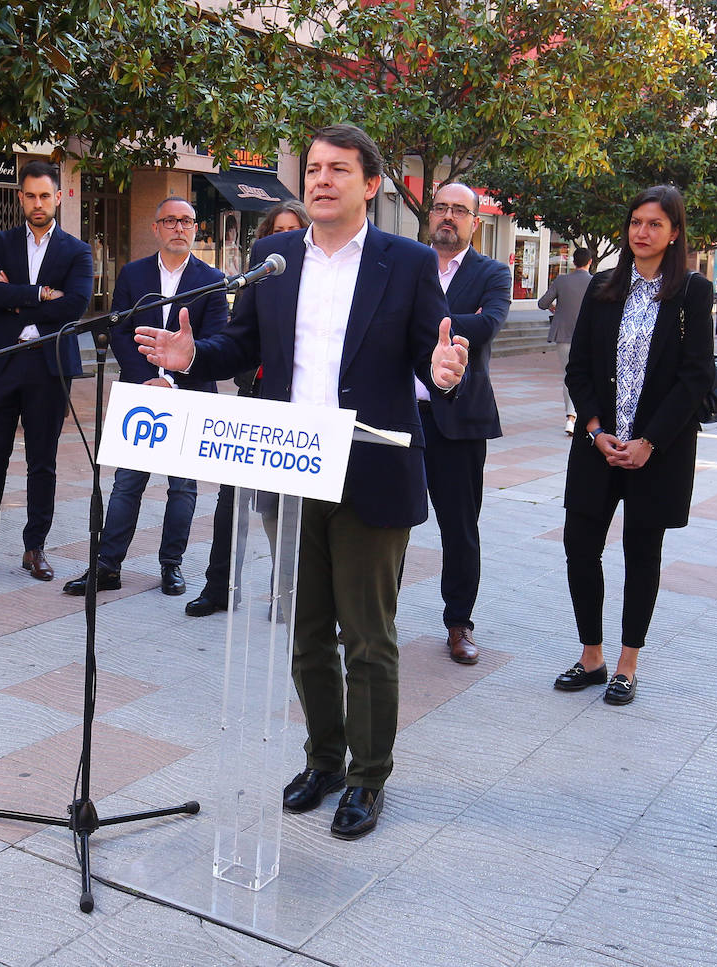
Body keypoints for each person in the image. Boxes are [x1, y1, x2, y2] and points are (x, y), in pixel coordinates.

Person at [135, 124, 469, 840]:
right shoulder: (273, 255)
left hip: (371, 468)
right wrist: (195, 354)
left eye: (338, 169)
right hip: (288, 466)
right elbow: (245, 343)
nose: (320, 179)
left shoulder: (406, 262)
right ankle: (323, 757)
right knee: (305, 632)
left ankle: (368, 775)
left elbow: (430, 354)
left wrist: (442, 374)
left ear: (370, 184)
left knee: (368, 636)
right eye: (313, 168)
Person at [553, 184, 714, 706]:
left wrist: (649, 442)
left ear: (673, 233)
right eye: (636, 222)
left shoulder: (690, 291)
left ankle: (627, 663)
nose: (642, 233)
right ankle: (591, 655)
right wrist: (596, 431)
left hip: (655, 454)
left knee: (642, 554)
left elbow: (695, 378)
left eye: (655, 225)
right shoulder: (604, 287)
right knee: (580, 546)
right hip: (598, 445)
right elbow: (578, 369)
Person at [62, 197, 228, 597]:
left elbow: (217, 341)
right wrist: (147, 381)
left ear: (195, 228)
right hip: (140, 395)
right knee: (125, 485)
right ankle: (107, 566)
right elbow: (120, 332)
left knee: (183, 488)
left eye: (186, 221)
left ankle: (171, 566)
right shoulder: (134, 275)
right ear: (155, 228)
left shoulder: (213, 279)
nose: (179, 228)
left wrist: (172, 381)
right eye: (170, 220)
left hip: (189, 396)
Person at [0, 161, 93, 584]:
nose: (38, 203)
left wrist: (17, 297)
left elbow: (76, 305)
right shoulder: (0, 241)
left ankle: (34, 549)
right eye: (30, 195)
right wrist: (42, 293)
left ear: (58, 197)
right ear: (19, 197)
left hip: (49, 366)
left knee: (41, 463)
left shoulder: (77, 251)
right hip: (1, 362)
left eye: (45, 195)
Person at [186, 199, 311, 618]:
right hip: (252, 401)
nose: (282, 240)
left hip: (295, 411)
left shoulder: (314, 287)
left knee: (283, 506)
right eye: (274, 232)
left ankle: (287, 592)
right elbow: (241, 339)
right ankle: (219, 586)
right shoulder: (259, 280)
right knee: (232, 501)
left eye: (292, 230)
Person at [416, 182, 512, 665]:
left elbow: (489, 324)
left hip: (460, 421)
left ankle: (459, 624)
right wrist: (459, 320)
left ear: (476, 220)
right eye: (441, 208)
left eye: (459, 210)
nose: (448, 217)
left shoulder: (493, 272)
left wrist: (421, 320)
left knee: (459, 529)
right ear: (430, 215)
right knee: (383, 518)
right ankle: (371, 618)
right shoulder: (408, 261)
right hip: (401, 416)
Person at [539, 248, 593, 437]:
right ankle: (575, 417)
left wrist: (557, 309)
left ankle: (571, 417)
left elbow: (542, 303)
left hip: (562, 334)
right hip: (588, 336)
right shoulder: (594, 282)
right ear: (590, 262)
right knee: (585, 375)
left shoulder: (561, 281)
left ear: (573, 261)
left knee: (568, 374)